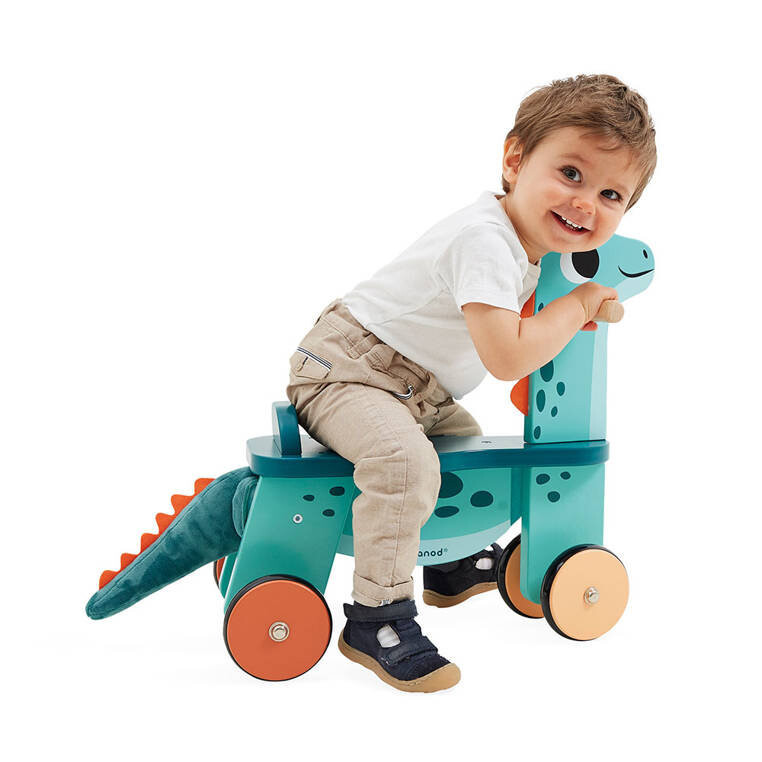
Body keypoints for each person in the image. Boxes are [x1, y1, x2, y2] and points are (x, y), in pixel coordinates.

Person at [286, 73, 657, 692]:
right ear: (515, 160)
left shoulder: (531, 246)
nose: (586, 203)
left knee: (469, 446)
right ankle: (377, 616)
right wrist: (580, 305)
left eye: (612, 194)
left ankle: (449, 561)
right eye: (571, 174)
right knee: (406, 465)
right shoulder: (485, 241)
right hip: (349, 372)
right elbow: (509, 357)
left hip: (420, 392)